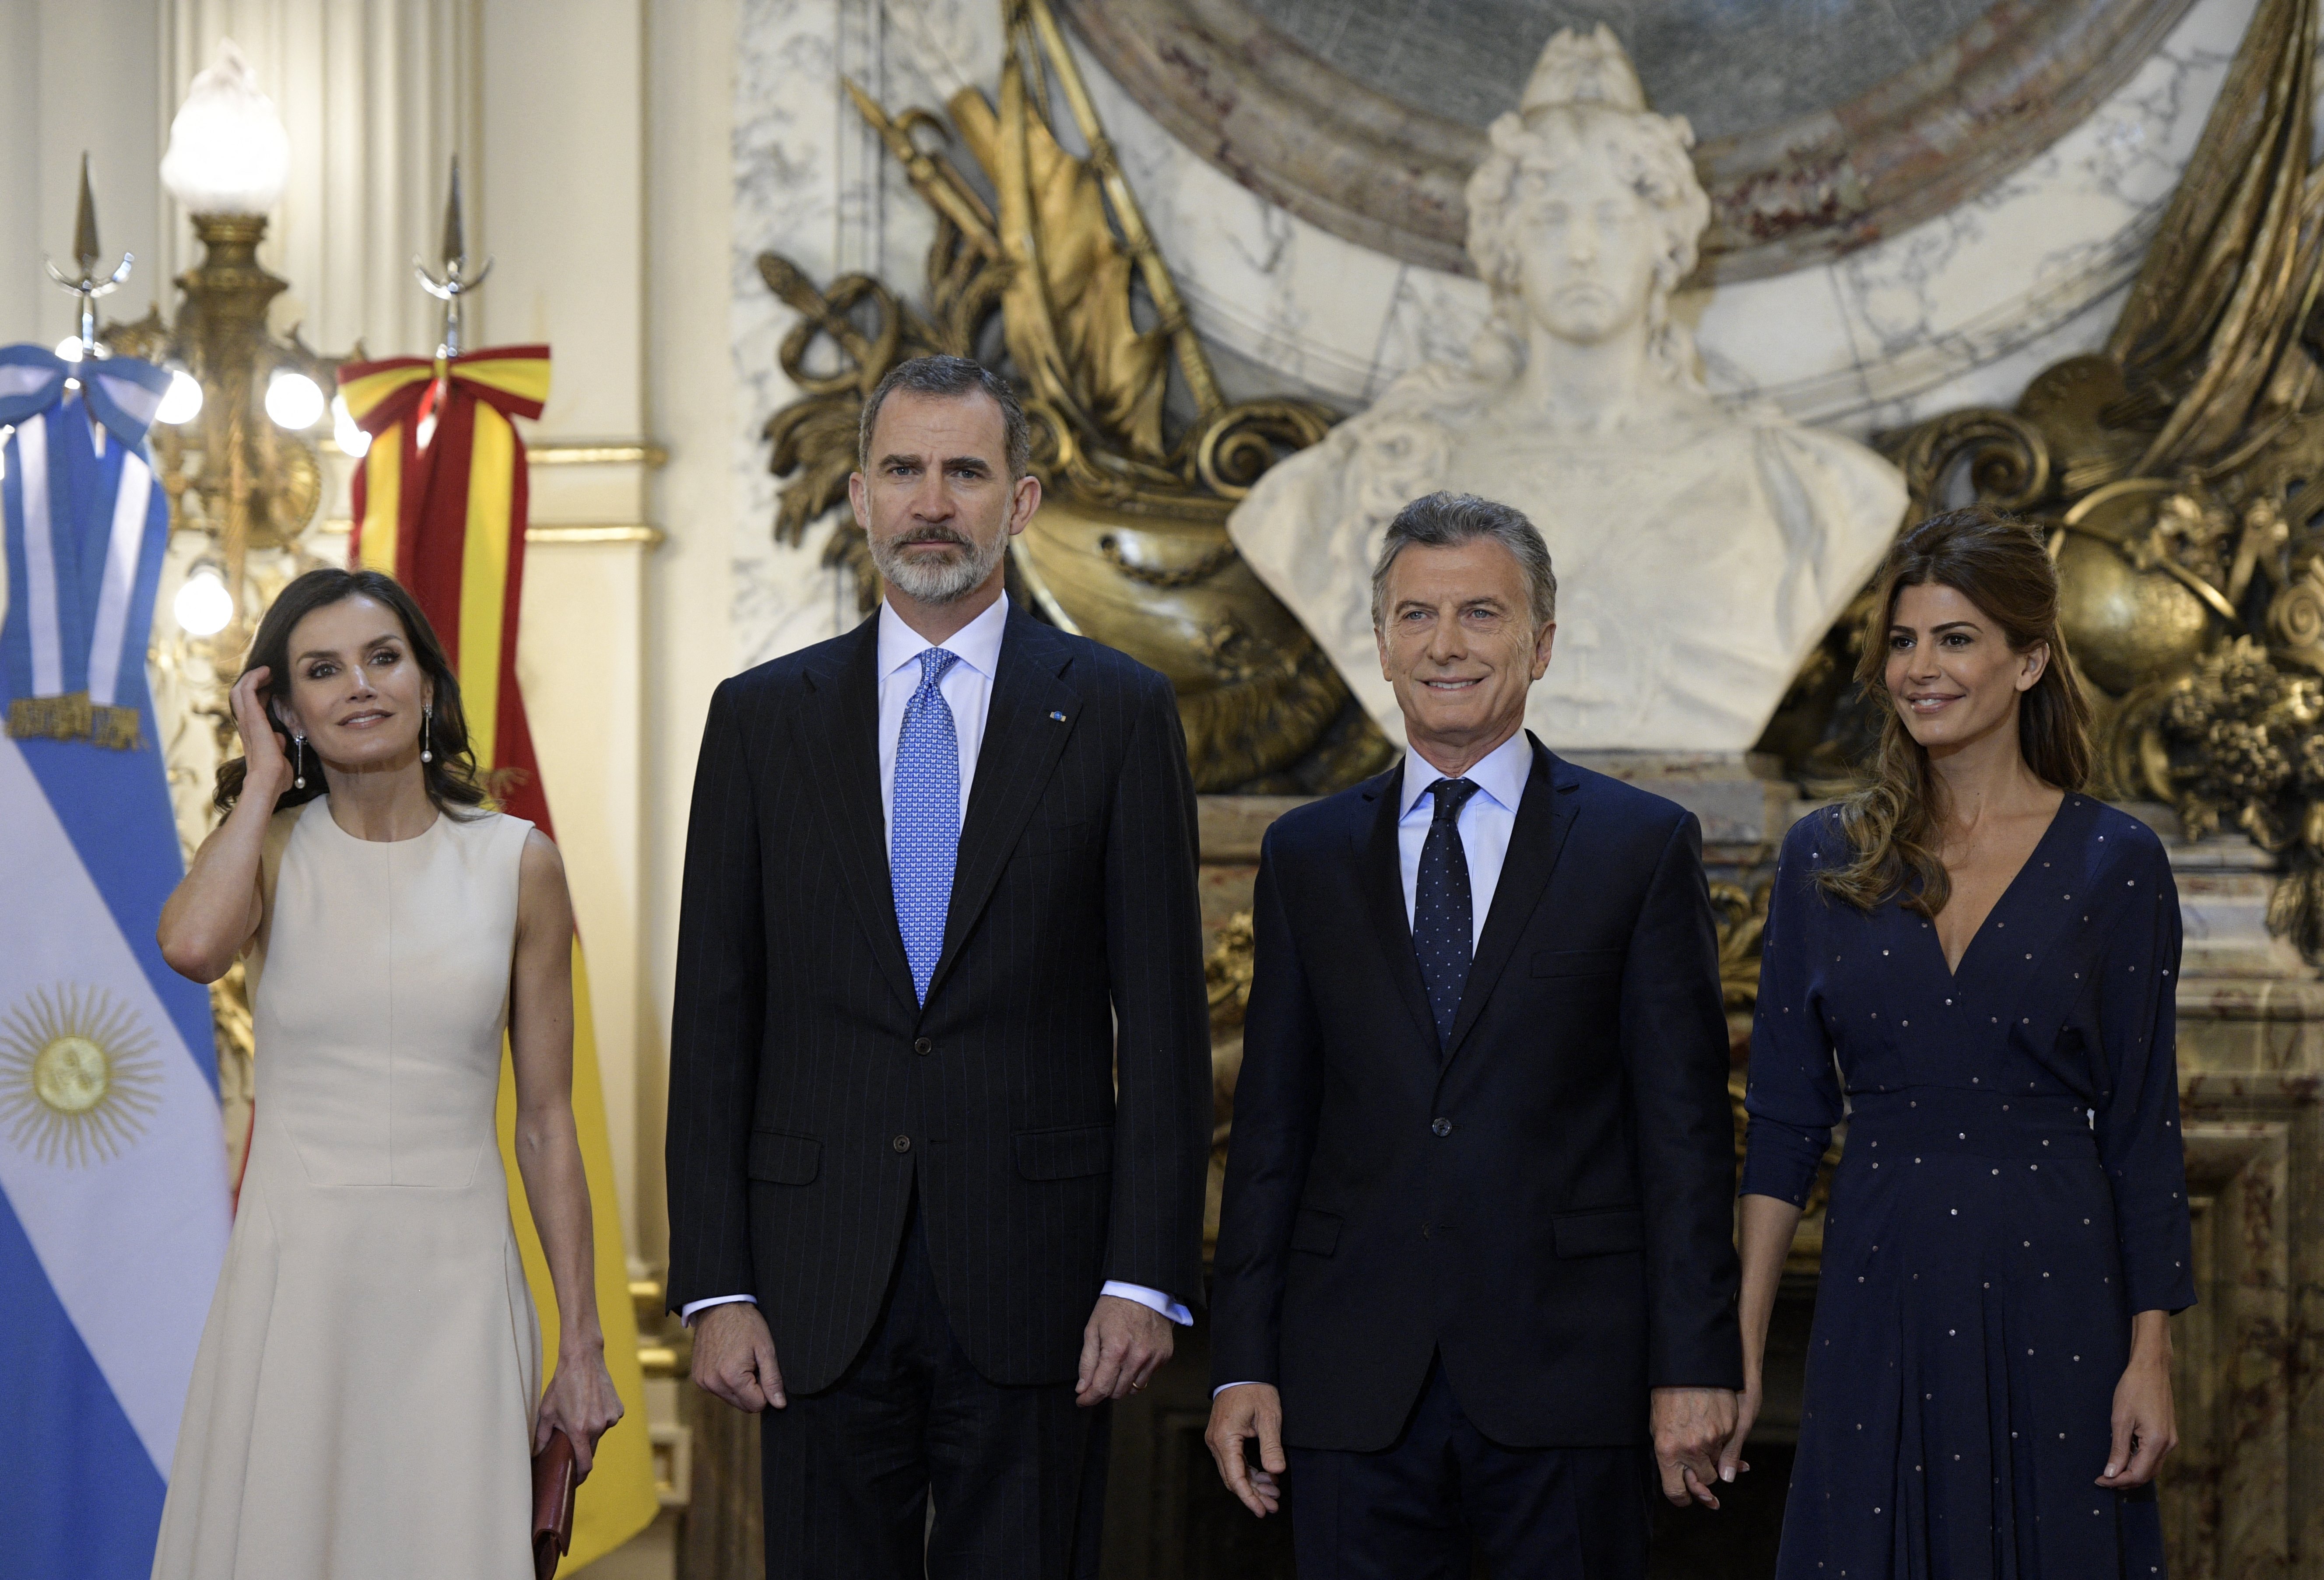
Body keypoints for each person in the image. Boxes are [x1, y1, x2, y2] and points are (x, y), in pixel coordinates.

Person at [665, 354, 1211, 1579]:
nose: (931, 502)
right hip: (811, 1284)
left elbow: (1167, 1023)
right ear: (858, 496)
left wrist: (1143, 1277)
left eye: (964, 472)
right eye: (903, 471)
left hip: (1043, 1285)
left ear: (1018, 503)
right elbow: (713, 1021)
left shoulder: (1118, 711)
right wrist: (714, 1285)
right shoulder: (759, 719)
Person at [1205, 490, 1744, 1579]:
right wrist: (1239, 1364)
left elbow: (1686, 1141)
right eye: (1416, 617)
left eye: (1481, 616)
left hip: (1570, 1384)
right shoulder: (1306, 856)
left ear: (1541, 644)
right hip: (1349, 1384)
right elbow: (1271, 1132)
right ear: (1383, 645)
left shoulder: (1639, 849)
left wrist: (1696, 1363)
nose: (1445, 645)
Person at [1728, 506, 2194, 1576]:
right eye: (1903, 642)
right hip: (1879, 1274)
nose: (1920, 669)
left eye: (1955, 639)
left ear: (2029, 660)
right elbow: (1786, 1124)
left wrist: (2150, 1356)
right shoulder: (1826, 858)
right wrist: (1743, 1340)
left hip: (2059, 1287)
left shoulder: (2115, 863)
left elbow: (2143, 1131)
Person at [151, 568, 622, 1578]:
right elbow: (191, 948)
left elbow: (545, 1121)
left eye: (383, 658)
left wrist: (580, 1347)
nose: (359, 686)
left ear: (425, 682)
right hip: (296, 1286)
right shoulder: (265, 852)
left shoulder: (517, 862)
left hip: (457, 1291)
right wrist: (265, 776)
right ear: (286, 707)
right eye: (322, 671)